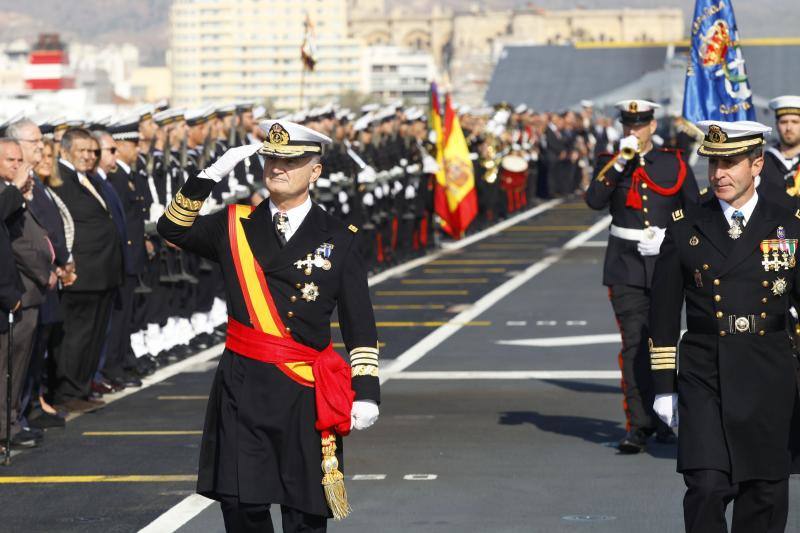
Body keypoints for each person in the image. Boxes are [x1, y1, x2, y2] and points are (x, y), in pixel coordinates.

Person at [157, 119, 380, 533]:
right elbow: (172, 228)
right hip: (243, 387)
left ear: (315, 171)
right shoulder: (234, 225)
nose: (278, 167)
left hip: (303, 391)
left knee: (304, 511)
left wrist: (367, 391)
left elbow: (359, 323)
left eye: (291, 161)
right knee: (242, 506)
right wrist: (208, 176)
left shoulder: (340, 236)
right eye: (272, 159)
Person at [649, 120, 800, 533]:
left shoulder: (789, 225)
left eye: (729, 163)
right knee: (707, 487)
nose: (718, 175)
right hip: (706, 372)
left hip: (769, 373)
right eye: (713, 164)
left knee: (764, 494)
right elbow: (662, 313)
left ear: (757, 165)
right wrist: (663, 386)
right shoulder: (686, 227)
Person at [585, 99, 700, 453]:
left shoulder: (673, 162)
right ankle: (638, 424)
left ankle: (665, 418)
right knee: (634, 344)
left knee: (662, 342)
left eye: (640, 125)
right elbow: (594, 200)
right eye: (628, 125)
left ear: (652, 126)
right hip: (626, 267)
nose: (633, 131)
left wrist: (669, 239)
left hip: (666, 264)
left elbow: (692, 211)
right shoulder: (610, 163)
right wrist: (621, 161)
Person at [49, 128, 122, 413]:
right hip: (82, 274)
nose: (89, 156)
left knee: (92, 336)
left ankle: (82, 386)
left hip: (102, 273)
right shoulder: (60, 180)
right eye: (83, 150)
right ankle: (68, 391)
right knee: (75, 337)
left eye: (93, 151)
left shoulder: (89, 179)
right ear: (65, 150)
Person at [758, 96, 800, 210]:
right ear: (776, 124)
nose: (789, 128)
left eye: (795, 122)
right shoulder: (760, 163)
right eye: (783, 122)